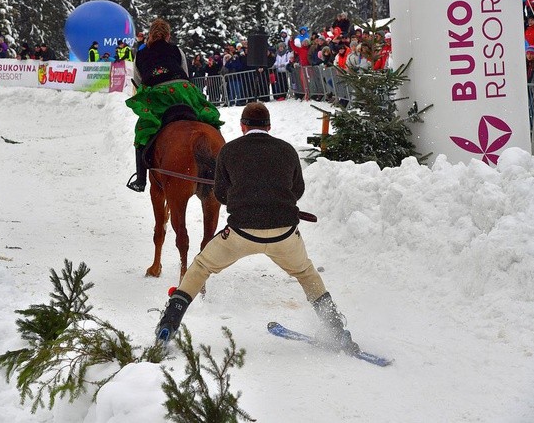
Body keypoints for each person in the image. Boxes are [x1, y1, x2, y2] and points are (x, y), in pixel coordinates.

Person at [154, 102, 359, 355]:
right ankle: (336, 329)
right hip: (284, 233)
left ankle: (168, 324)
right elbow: (298, 191)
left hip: (242, 232)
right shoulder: (286, 150)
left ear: (242, 126)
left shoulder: (229, 151)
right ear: (269, 126)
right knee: (307, 274)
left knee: (201, 267)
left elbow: (221, 194)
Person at [124, 18, 223, 192]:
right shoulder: (176, 50)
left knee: (144, 130)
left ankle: (140, 179)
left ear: (150, 35)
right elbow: (185, 72)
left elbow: (139, 81)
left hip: (157, 94)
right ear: (168, 35)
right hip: (182, 91)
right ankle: (221, 166)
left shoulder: (140, 54)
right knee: (207, 117)